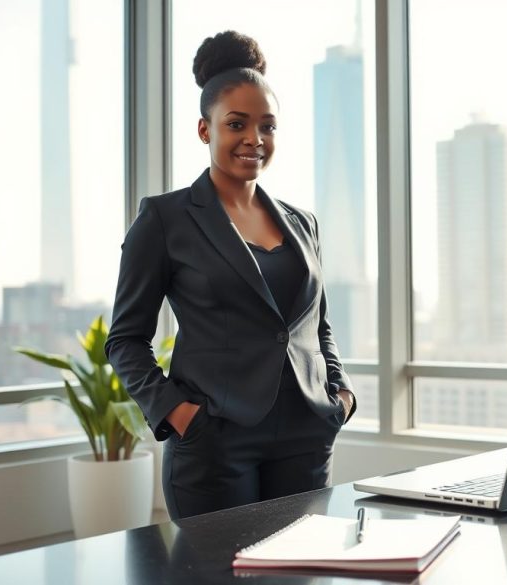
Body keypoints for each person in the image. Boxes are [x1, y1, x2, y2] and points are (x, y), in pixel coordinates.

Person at [105, 30, 356, 520]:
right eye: (236, 124)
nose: (254, 140)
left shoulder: (303, 223)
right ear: (205, 130)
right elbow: (125, 340)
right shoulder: (164, 219)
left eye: (268, 126)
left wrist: (340, 396)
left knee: (299, 570)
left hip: (306, 434)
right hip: (214, 442)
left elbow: (316, 326)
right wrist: (178, 415)